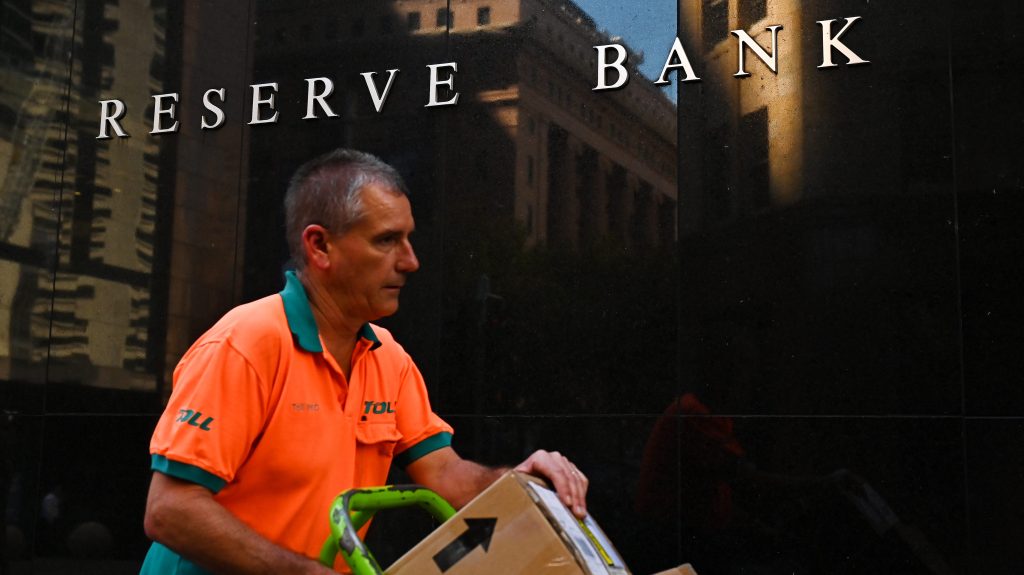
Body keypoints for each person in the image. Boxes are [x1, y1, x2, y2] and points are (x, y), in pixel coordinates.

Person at [141, 149, 589, 574]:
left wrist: (525, 481)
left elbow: (444, 473)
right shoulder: (245, 344)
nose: (411, 262)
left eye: (409, 238)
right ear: (319, 247)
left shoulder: (388, 358)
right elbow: (169, 510)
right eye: (387, 240)